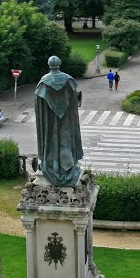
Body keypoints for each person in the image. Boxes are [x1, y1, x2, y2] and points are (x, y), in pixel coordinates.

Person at [34, 56, 84, 187]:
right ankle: (67, 163)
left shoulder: (43, 83)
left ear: (49, 65)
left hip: (49, 123)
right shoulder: (68, 81)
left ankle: (51, 163)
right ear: (59, 65)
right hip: (66, 121)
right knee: (66, 140)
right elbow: (74, 101)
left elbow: (39, 107)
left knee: (51, 140)